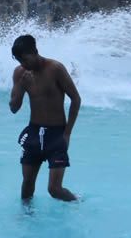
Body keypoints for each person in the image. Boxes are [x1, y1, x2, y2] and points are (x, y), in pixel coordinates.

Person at [9, 35, 81, 202]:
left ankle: (77, 201)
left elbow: (76, 99)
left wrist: (68, 133)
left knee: (54, 190)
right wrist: (21, 85)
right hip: (33, 133)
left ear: (35, 51)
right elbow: (14, 108)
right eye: (19, 61)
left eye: (25, 59)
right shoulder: (20, 73)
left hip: (56, 135)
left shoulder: (55, 68)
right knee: (27, 184)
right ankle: (27, 219)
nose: (23, 64)